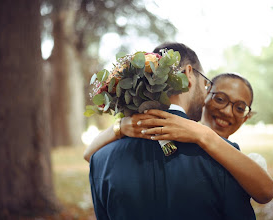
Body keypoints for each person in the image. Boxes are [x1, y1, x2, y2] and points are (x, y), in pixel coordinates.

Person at [88, 42, 256, 219]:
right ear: (188, 74)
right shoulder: (225, 156)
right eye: (206, 85)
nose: (206, 96)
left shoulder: (100, 159)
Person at [85, 72, 273, 204]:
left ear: (247, 117)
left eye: (240, 108)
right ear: (204, 95)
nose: (227, 111)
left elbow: (266, 192)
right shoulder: (170, 132)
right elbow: (91, 156)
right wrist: (120, 127)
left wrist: (204, 135)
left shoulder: (249, 161)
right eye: (220, 99)